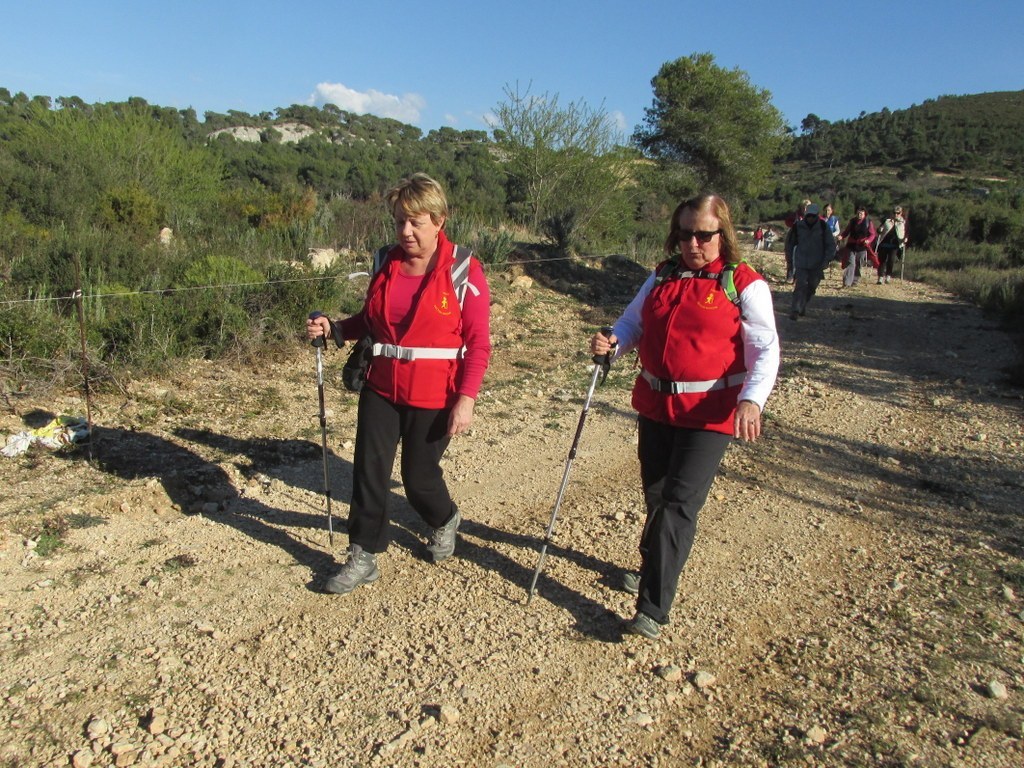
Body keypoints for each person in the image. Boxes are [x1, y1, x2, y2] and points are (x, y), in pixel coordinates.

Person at [590, 194, 780, 640]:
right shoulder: (662, 275)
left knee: (678, 504)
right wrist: (613, 342)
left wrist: (752, 400)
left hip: (710, 414)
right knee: (656, 495)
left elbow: (766, 349)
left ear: (723, 235)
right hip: (656, 404)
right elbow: (633, 323)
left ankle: (653, 608)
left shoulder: (744, 284)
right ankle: (651, 563)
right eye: (684, 233)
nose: (692, 243)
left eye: (703, 234)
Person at [306, 173, 491, 594]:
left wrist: (467, 399)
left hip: (436, 390)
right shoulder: (383, 261)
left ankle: (444, 519)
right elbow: (370, 320)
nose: (405, 231)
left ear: (439, 220)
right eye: (399, 222)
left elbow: (479, 343)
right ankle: (363, 554)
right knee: (369, 471)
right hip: (382, 385)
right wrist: (335, 328)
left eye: (416, 222)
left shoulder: (464, 269)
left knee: (418, 478)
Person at [784, 203, 837, 320]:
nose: (810, 218)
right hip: (801, 261)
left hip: (817, 263)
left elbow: (830, 245)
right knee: (800, 285)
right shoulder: (798, 226)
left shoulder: (823, 227)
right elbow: (789, 244)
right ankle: (795, 310)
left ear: (817, 216)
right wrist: (789, 262)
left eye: (813, 216)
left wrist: (827, 259)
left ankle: (802, 305)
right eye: (809, 216)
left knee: (812, 287)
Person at [839, 207, 877, 287]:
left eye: (861, 213)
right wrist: (842, 236)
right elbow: (847, 231)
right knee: (851, 263)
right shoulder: (852, 221)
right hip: (851, 245)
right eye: (858, 213)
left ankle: (855, 280)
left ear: (864, 214)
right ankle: (847, 283)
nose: (859, 215)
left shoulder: (868, 222)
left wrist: (868, 240)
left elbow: (872, 234)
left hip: (862, 246)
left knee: (858, 263)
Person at [874, 206, 907, 284]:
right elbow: (879, 229)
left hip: (895, 245)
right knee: (881, 261)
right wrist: (880, 230)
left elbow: (906, 232)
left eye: (898, 213)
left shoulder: (903, 222)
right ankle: (880, 277)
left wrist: (905, 238)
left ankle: (888, 276)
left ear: (901, 213)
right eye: (894, 213)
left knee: (891, 260)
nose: (896, 214)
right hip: (884, 243)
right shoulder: (887, 221)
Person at [784, 199, 812, 282]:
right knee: (791, 257)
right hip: (794, 238)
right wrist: (794, 225)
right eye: (804, 207)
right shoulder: (796, 215)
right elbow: (787, 221)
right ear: (802, 207)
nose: (806, 209)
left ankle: (798, 277)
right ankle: (790, 276)